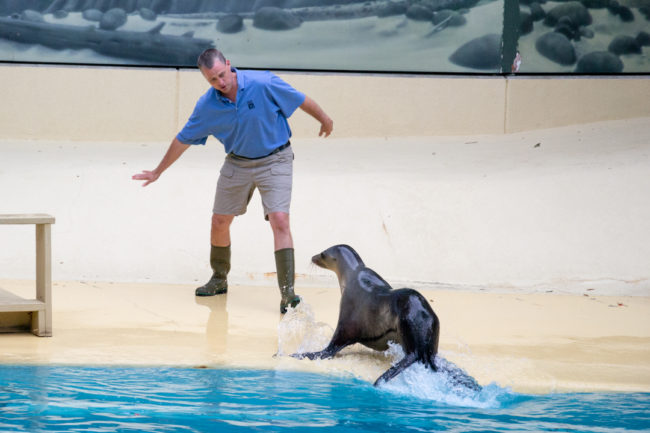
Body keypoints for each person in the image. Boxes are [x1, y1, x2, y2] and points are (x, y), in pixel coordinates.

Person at [133, 48, 333, 313]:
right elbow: (183, 139)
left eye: (222, 75)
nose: (221, 83)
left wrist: (324, 118)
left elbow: (299, 99)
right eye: (213, 80)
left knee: (280, 220)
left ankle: (288, 294)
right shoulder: (208, 105)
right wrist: (158, 171)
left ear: (229, 65)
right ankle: (219, 278)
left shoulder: (262, 83)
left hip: (276, 158)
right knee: (219, 221)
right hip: (238, 161)